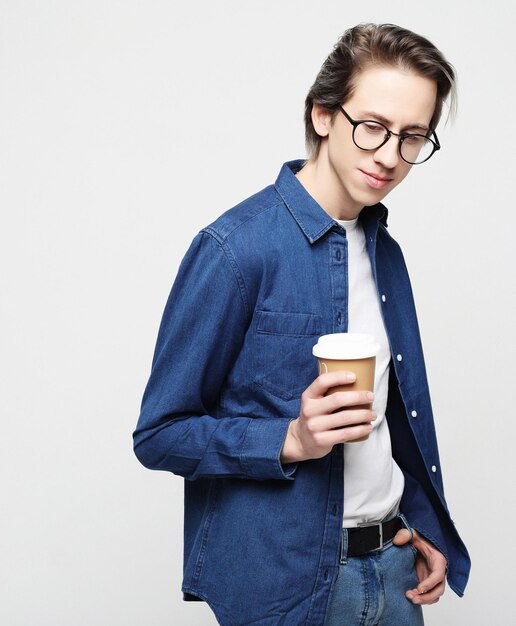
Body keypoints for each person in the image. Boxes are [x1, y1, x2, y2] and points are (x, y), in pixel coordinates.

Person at [133, 23, 470, 626]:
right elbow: (160, 433)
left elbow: (395, 416)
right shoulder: (236, 249)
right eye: (372, 128)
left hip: (395, 568)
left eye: (413, 137)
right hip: (287, 589)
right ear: (322, 115)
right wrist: (288, 440)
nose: (390, 157)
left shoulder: (383, 252)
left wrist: (418, 517)